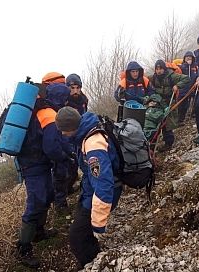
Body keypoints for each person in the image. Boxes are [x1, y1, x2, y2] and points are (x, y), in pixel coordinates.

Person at [55, 107, 122, 269]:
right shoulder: (85, 132)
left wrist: (98, 223)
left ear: (72, 127)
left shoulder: (93, 145)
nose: (63, 134)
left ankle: (91, 264)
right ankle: (94, 254)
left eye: (64, 130)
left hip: (102, 192)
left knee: (76, 236)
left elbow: (104, 185)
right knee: (81, 228)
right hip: (89, 190)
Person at [15, 77, 72, 268]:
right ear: (60, 99)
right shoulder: (48, 114)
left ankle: (38, 232)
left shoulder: (42, 110)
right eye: (64, 100)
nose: (66, 103)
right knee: (36, 201)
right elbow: (51, 148)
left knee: (47, 195)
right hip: (33, 164)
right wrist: (66, 157)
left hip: (36, 162)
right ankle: (23, 248)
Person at [41, 72, 77, 213]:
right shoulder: (51, 114)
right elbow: (52, 145)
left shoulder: (49, 107)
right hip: (51, 155)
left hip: (53, 151)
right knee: (58, 175)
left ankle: (61, 200)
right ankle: (60, 205)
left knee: (60, 175)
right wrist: (64, 155)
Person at [149, 59, 190, 151]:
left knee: (168, 124)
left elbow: (186, 78)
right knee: (156, 122)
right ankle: (152, 143)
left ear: (164, 68)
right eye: (157, 69)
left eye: (161, 69)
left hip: (169, 102)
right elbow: (144, 80)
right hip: (158, 103)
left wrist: (177, 86)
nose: (159, 71)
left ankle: (168, 143)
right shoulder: (153, 78)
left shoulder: (172, 76)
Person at [178, 51, 198, 126]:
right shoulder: (182, 66)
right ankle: (180, 119)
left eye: (190, 57)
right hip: (183, 89)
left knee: (191, 103)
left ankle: (192, 114)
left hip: (192, 88)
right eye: (187, 57)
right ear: (184, 58)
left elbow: (198, 74)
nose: (189, 58)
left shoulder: (195, 66)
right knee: (182, 105)